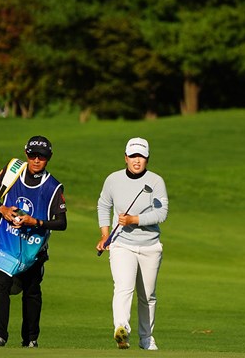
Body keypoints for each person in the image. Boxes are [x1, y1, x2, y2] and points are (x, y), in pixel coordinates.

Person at [0, 135, 67, 348]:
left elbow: (61, 223)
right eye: (32, 155)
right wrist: (2, 209)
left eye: (42, 156)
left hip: (34, 248)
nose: (36, 160)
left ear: (49, 158)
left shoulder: (54, 187)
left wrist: (35, 221)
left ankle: (30, 339)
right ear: (26, 154)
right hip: (7, 242)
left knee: (31, 290)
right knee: (1, 285)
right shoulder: (13, 170)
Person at [96, 137, 169, 350]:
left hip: (150, 246)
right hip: (121, 244)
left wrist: (133, 220)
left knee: (147, 295)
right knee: (123, 287)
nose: (137, 161)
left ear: (147, 159)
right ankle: (122, 329)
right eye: (133, 156)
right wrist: (104, 234)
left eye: (142, 156)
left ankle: (147, 339)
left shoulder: (156, 181)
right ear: (126, 157)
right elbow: (103, 205)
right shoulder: (113, 180)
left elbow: (161, 213)